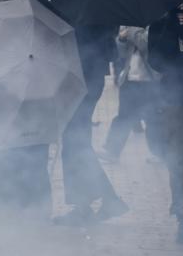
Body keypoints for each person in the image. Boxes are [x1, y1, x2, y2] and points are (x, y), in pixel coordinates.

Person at [55, 24, 128, 225]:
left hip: (82, 72)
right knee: (75, 141)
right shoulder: (93, 1)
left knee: (74, 141)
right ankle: (94, 202)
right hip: (87, 72)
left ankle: (90, 205)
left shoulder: (87, 5)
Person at [148, 2, 183, 245]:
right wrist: (173, 26)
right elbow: (155, 60)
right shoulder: (163, 17)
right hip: (178, 99)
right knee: (179, 160)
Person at [102, 26, 162, 161]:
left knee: (154, 118)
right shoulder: (132, 24)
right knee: (124, 115)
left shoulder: (155, 23)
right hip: (130, 78)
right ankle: (112, 151)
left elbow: (145, 45)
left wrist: (133, 31)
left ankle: (160, 153)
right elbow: (122, 54)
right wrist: (122, 40)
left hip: (149, 79)